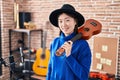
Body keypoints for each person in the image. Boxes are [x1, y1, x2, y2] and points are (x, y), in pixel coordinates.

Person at [46, 4, 92, 80]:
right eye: (60, 21)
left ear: (75, 22)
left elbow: (83, 76)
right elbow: (50, 68)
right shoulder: (55, 42)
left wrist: (69, 56)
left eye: (67, 20)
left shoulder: (83, 45)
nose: (63, 24)